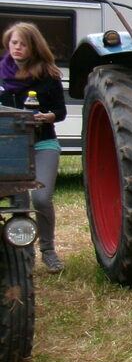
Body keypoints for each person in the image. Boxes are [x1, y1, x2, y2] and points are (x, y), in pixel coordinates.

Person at [0, 22, 66, 273]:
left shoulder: (48, 75)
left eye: (23, 44)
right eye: (14, 42)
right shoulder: (1, 73)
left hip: (43, 143)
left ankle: (48, 250)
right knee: (18, 198)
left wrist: (47, 117)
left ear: (34, 47)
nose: (17, 48)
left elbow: (60, 112)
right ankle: (20, 250)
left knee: (41, 197)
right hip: (10, 148)